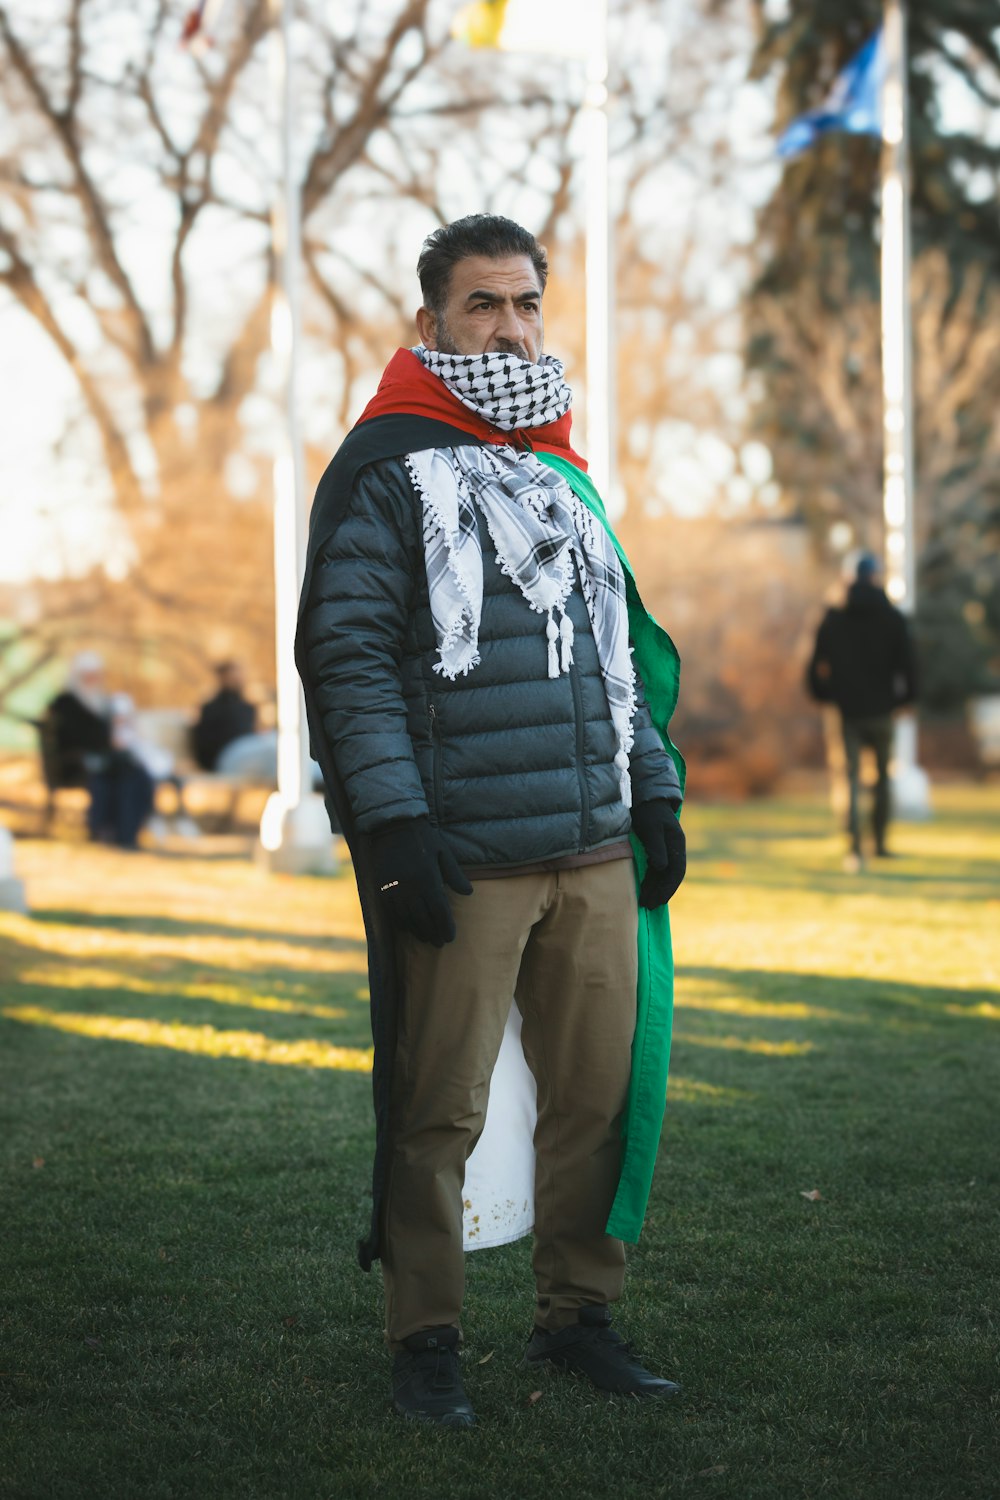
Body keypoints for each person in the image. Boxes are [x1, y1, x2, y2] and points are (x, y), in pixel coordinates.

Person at [296, 215, 688, 1429]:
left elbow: (612, 651)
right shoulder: (386, 467)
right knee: (438, 1108)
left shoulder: (557, 467)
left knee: (593, 1098)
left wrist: (655, 787)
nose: (509, 327)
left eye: (524, 303)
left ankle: (579, 1316)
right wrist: (393, 826)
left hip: (588, 848)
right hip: (462, 857)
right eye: (481, 306)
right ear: (430, 323)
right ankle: (425, 1339)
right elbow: (346, 656)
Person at [807, 551, 917, 865]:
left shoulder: (832, 616)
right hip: (883, 710)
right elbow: (908, 664)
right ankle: (880, 844)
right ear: (875, 577)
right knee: (883, 778)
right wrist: (905, 700)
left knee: (849, 779)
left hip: (845, 711)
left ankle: (855, 849)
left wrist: (824, 695)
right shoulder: (893, 616)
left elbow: (815, 665)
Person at [45, 653, 155, 850]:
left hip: (108, 759)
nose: (92, 680)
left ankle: (127, 832)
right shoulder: (65, 703)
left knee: (140, 776)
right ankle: (109, 830)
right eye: (88, 675)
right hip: (77, 762)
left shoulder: (104, 702)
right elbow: (71, 738)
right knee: (120, 775)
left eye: (96, 675)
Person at [191, 661, 274, 781]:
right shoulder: (211, 707)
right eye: (233, 675)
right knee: (274, 748)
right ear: (222, 677)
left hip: (247, 753)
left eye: (239, 674)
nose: (238, 678)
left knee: (280, 741)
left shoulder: (248, 707)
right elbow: (202, 744)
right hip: (225, 758)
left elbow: (256, 732)